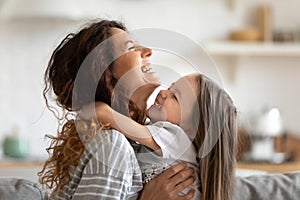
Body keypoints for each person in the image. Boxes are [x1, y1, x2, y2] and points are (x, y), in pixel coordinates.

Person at [38, 19, 195, 199]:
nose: (148, 51)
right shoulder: (112, 145)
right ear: (107, 76)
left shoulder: (135, 144)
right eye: (130, 48)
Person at [82, 73, 238, 200]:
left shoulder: (176, 136)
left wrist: (102, 110)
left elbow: (123, 125)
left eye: (175, 97)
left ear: (193, 130)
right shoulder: (172, 145)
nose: (163, 92)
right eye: (171, 88)